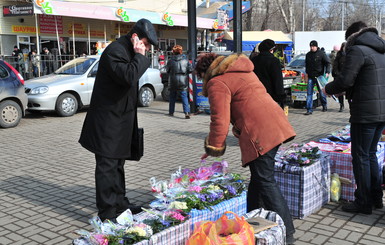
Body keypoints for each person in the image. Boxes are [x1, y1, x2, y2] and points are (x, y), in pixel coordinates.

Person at [195, 53, 297, 244]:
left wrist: (214, 147)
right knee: (258, 180)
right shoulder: (243, 71)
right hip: (275, 124)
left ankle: (287, 231)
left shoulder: (218, 82)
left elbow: (219, 120)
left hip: (261, 132)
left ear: (205, 71)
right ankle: (252, 220)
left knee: (266, 181)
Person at [78, 18, 158, 222]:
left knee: (118, 164)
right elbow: (128, 76)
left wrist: (139, 55)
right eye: (146, 44)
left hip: (121, 119)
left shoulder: (128, 51)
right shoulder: (116, 51)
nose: (146, 49)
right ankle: (106, 212)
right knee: (107, 165)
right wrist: (140, 56)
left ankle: (120, 202)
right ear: (135, 37)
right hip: (107, 121)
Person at [324, 21, 385, 214]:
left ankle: (363, 202)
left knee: (360, 157)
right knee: (370, 154)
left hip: (365, 112)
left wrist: (328, 89)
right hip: (381, 111)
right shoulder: (381, 48)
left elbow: (346, 79)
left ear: (352, 36)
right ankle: (376, 198)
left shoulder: (358, 50)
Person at [251, 39, 286, 108]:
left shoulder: (254, 60)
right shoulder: (274, 61)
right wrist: (280, 96)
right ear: (271, 50)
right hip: (270, 95)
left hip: (256, 93)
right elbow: (277, 80)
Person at [304, 40, 331, 115]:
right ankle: (309, 109)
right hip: (310, 77)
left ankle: (324, 105)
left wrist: (327, 72)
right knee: (309, 93)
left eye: (313, 46)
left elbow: (328, 63)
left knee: (322, 92)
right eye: (311, 46)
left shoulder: (321, 54)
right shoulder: (308, 55)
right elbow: (306, 65)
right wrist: (306, 74)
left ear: (316, 46)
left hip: (319, 76)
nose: (312, 48)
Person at [165, 45, 191, 119]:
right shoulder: (186, 60)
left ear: (173, 52)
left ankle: (171, 112)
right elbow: (190, 69)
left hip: (173, 80)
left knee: (172, 96)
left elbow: (167, 71)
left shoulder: (170, 60)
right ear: (181, 51)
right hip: (183, 81)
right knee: (184, 96)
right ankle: (186, 112)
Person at [331, 42, 346, 112]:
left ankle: (352, 105)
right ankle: (341, 105)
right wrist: (336, 73)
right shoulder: (339, 55)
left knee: (349, 92)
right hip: (340, 76)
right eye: (344, 47)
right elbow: (335, 65)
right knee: (340, 92)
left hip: (348, 76)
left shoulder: (351, 54)